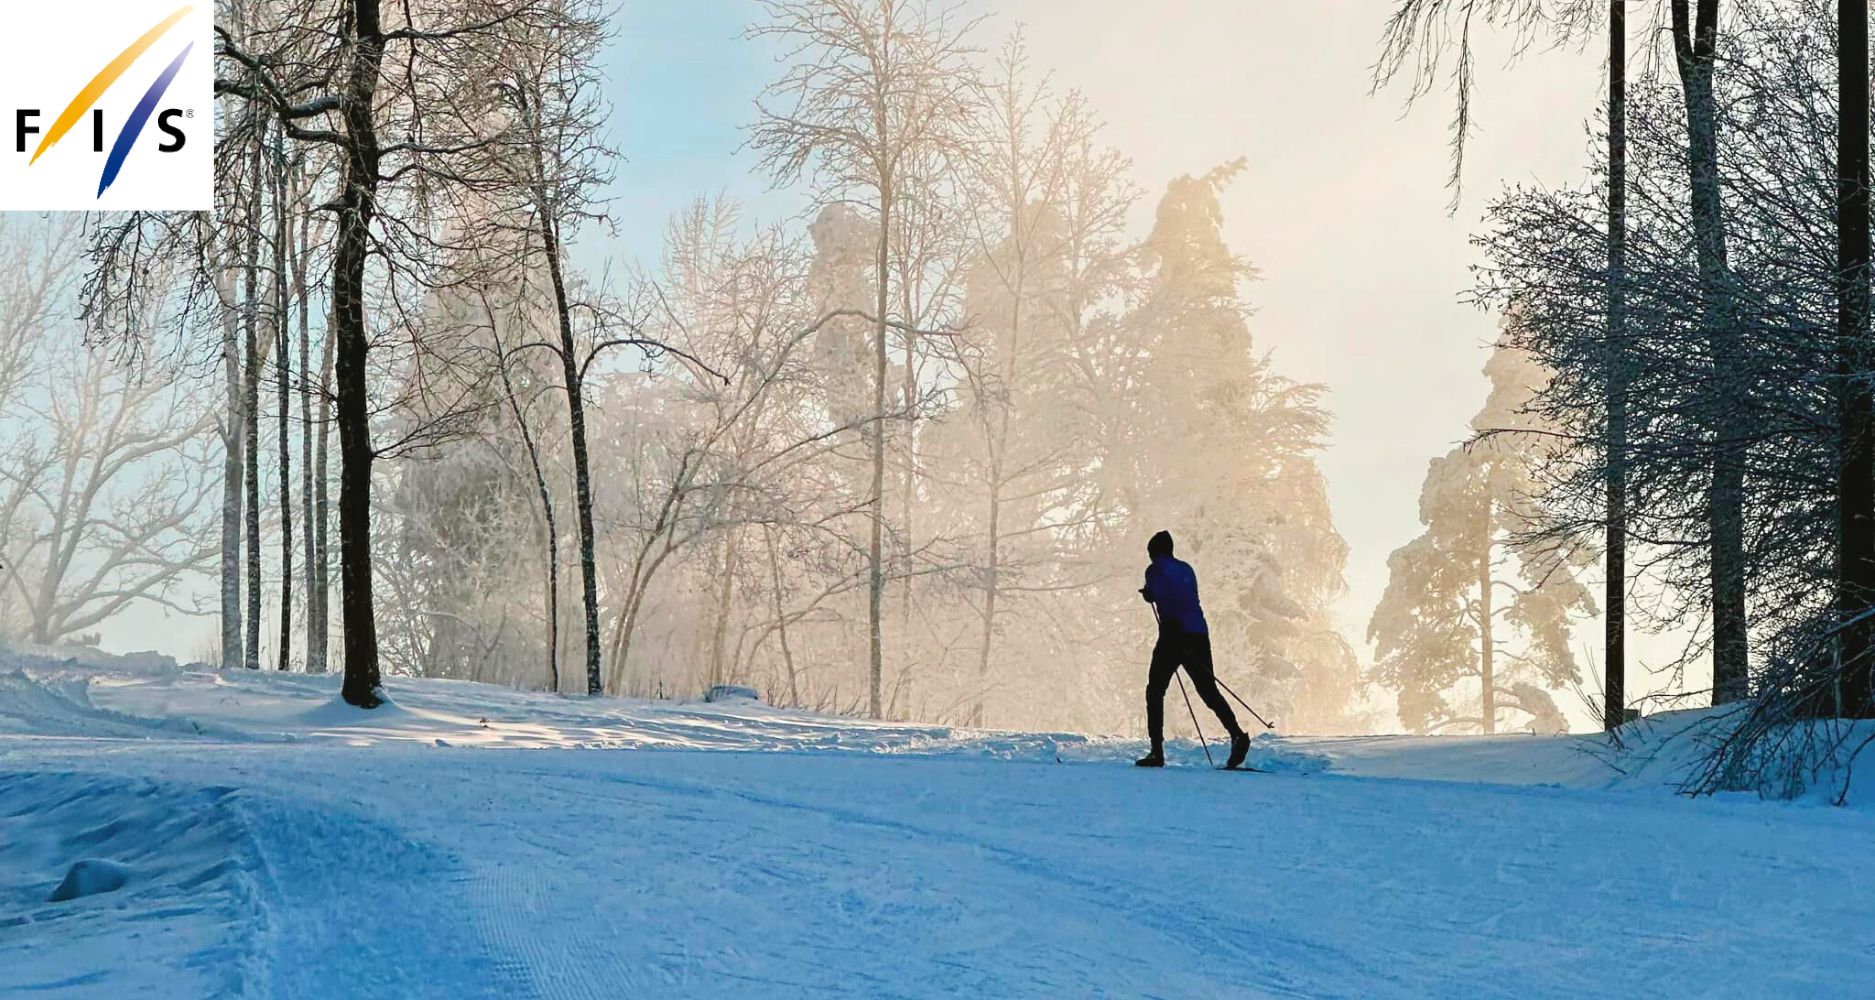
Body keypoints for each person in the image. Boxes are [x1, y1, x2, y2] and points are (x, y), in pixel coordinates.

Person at [1135, 530, 1248, 769]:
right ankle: (1237, 733)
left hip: (1171, 636)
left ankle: (1157, 751)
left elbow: (1160, 593)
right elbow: (1179, 594)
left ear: (1153, 552)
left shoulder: (1154, 570)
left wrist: (1148, 595)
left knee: (1155, 690)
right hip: (1197, 633)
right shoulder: (1187, 568)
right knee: (1208, 691)